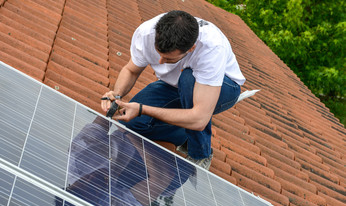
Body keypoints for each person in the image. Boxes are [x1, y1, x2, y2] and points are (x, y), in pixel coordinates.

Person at [101, 10, 246, 170]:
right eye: (158, 53)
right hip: (176, 86)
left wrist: (142, 109)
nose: (161, 61)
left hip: (223, 88)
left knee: (188, 79)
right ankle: (182, 134)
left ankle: (200, 153)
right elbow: (131, 70)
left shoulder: (211, 49)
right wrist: (117, 93)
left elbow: (200, 119)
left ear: (191, 48)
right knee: (134, 123)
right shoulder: (146, 32)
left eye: (169, 58)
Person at [55, 116, 196, 206]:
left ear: (71, 185)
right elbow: (164, 177)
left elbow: (105, 118)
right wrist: (128, 132)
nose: (90, 178)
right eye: (91, 189)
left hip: (135, 131)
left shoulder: (78, 158)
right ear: (96, 204)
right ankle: (192, 145)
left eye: (82, 182)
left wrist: (115, 108)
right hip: (166, 167)